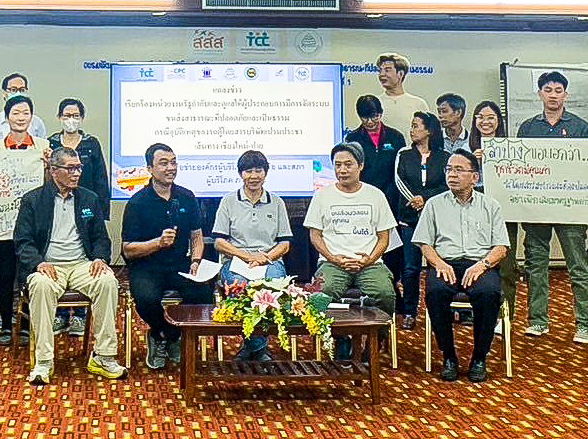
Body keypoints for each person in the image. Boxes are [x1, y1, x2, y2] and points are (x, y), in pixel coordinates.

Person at [13, 146, 127, 385]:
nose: (77, 173)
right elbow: (23, 241)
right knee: (41, 286)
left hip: (81, 264)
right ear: (54, 170)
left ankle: (104, 356)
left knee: (107, 281)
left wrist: (100, 258)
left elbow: (101, 238)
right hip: (49, 265)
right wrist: (38, 263)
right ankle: (44, 361)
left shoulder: (89, 198)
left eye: (79, 168)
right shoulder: (33, 200)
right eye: (71, 168)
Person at [513, 72, 588, 345]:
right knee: (535, 266)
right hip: (536, 209)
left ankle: (586, 324)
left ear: (566, 94)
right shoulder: (528, 128)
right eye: (548, 89)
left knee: (578, 266)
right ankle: (537, 320)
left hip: (571, 208)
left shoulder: (580, 127)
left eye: (558, 90)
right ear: (540, 94)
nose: (553, 94)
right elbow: (519, 167)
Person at [414, 150, 510, 383]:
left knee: (488, 293)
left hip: (480, 264)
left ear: (475, 177)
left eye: (459, 170)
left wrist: (482, 265)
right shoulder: (434, 204)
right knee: (436, 292)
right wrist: (439, 263)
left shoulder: (490, 205)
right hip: (445, 263)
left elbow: (501, 247)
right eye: (449, 169)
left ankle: (479, 358)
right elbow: (424, 243)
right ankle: (449, 356)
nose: (452, 175)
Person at [121, 142, 211, 370]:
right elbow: (128, 249)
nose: (171, 168)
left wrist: (196, 261)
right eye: (163, 163)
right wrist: (157, 243)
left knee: (203, 293)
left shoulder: (186, 197)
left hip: (180, 265)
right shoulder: (137, 202)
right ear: (150, 169)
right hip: (146, 266)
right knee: (146, 299)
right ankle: (165, 335)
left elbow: (196, 236)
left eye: (173, 162)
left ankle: (168, 336)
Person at [304, 141, 398, 359]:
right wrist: (333, 258)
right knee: (323, 294)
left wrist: (369, 259)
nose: (342, 170)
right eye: (338, 165)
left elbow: (384, 238)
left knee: (385, 293)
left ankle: (375, 340)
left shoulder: (375, 195)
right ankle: (340, 339)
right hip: (332, 263)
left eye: (348, 164)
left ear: (361, 166)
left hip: (370, 263)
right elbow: (315, 236)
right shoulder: (322, 196)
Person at [211, 150, 293, 361]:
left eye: (259, 170)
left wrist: (264, 258)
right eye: (248, 171)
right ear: (241, 174)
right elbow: (219, 242)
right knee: (242, 289)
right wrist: (247, 257)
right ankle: (258, 348)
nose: (254, 176)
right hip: (237, 261)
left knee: (270, 290)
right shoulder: (228, 201)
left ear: (266, 173)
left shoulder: (277, 202)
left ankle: (253, 347)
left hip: (269, 261)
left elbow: (284, 243)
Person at [0, 74, 45, 327]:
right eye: (15, 113)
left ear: (32, 117)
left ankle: (27, 324)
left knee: (30, 273)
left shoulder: (42, 147)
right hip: (3, 222)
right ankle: (6, 324)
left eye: (26, 113)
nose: (21, 117)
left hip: (34, 222)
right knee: (5, 274)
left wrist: (49, 166)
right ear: (7, 118)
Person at [48, 97, 110, 338]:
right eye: (66, 115)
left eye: (75, 115)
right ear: (59, 117)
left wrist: (102, 211)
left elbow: (101, 178)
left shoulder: (91, 144)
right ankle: (61, 315)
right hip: (58, 204)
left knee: (85, 259)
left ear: (82, 118)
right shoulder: (51, 143)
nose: (71, 120)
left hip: (86, 206)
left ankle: (80, 317)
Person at [344, 95, 407, 313]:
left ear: (380, 114)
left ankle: (392, 287)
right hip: (363, 200)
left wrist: (388, 195)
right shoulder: (353, 138)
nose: (370, 122)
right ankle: (367, 289)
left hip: (392, 198)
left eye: (374, 116)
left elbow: (400, 171)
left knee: (392, 247)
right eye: (365, 117)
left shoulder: (396, 137)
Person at [392, 111, 448, 331]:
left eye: (416, 126)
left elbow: (446, 185)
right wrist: (414, 200)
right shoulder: (404, 154)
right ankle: (409, 312)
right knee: (410, 268)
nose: (412, 130)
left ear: (429, 130)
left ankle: (439, 311)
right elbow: (399, 180)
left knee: (437, 265)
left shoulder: (443, 157)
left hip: (435, 219)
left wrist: (425, 199)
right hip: (409, 219)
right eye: (412, 125)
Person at [468, 99, 517, 325]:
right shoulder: (466, 149)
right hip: (474, 214)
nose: (485, 122)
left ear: (499, 122)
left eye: (491, 118)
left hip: (505, 213)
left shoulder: (512, 148)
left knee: (506, 268)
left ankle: (504, 318)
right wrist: (473, 163)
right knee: (476, 263)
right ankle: (477, 314)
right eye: (480, 117)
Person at [0, 73, 49, 145]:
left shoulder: (37, 122)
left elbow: (43, 148)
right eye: (13, 90)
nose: (18, 93)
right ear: (4, 93)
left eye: (22, 90)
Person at [375, 53, 430, 139]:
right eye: (380, 71)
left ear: (400, 74)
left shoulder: (418, 104)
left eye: (387, 70)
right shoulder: (375, 103)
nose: (382, 74)